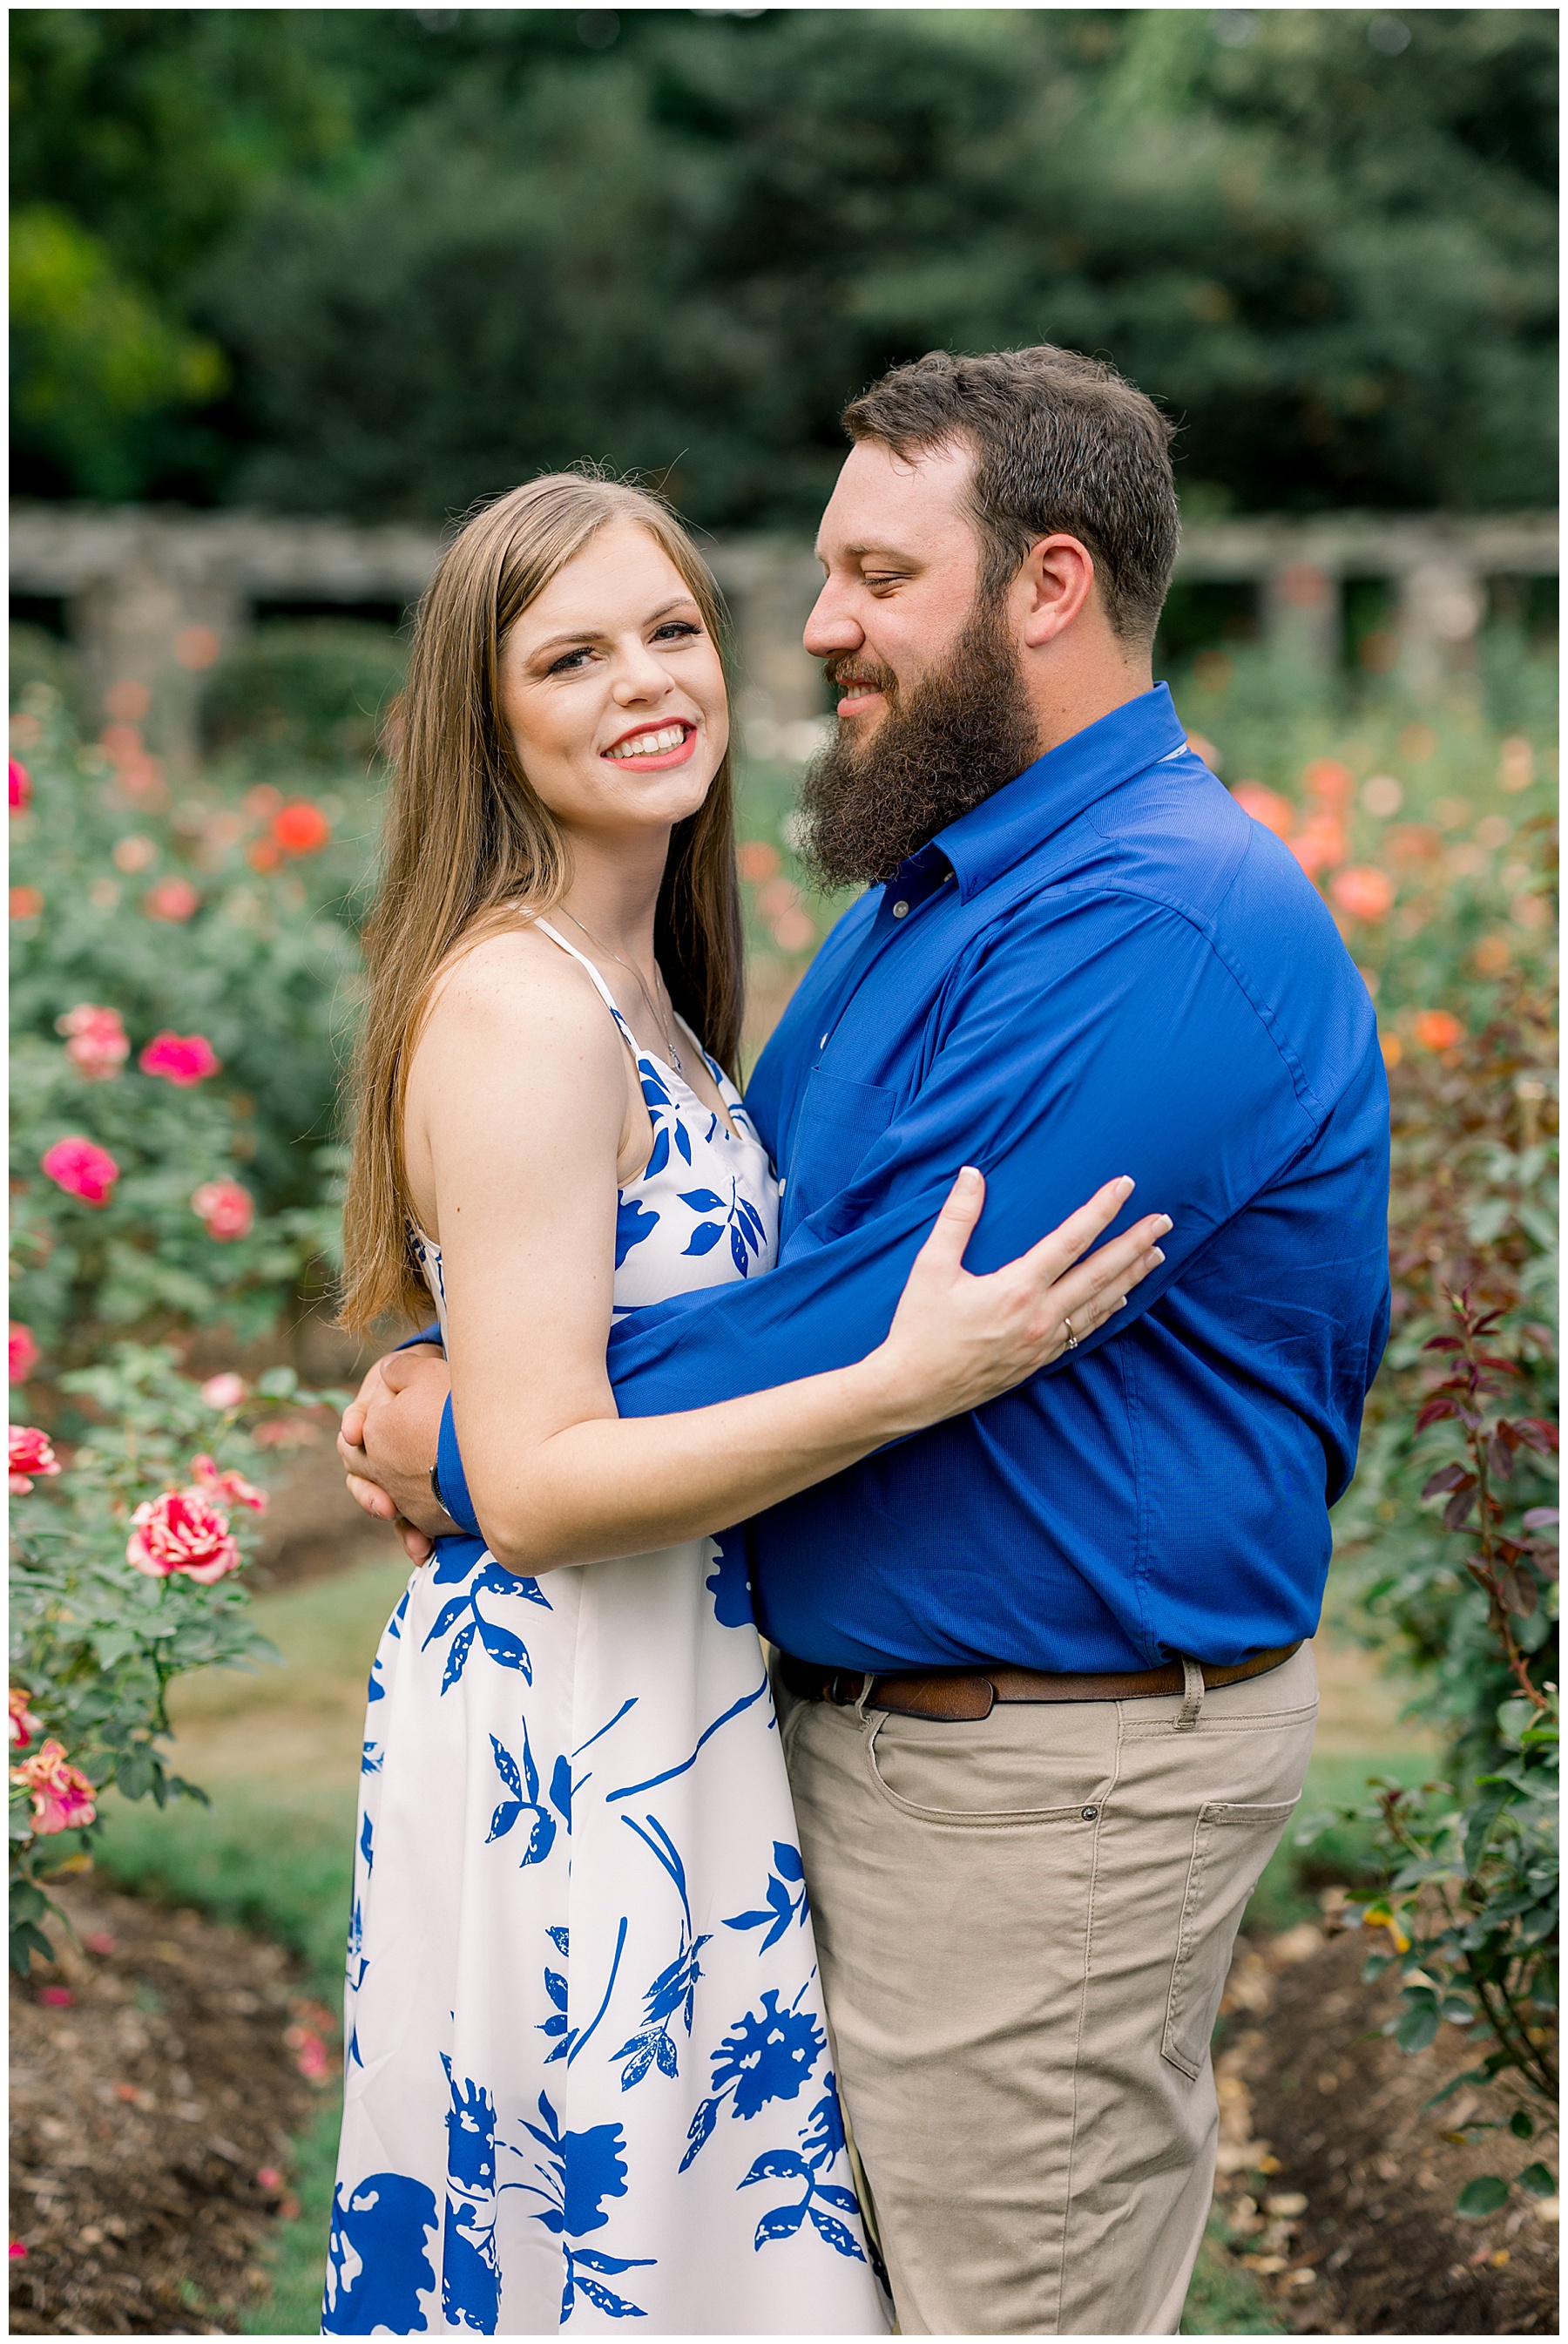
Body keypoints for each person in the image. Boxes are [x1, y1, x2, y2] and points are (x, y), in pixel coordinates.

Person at [344, 347, 1391, 2336]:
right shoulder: (939, 896)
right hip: (786, 1742)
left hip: (1042, 1779)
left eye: (875, 577)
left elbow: (845, 1317)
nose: (809, 627)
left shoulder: (1150, 923)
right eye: (575, 652)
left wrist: (475, 1441)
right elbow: (779, 1292)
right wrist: (492, 1384)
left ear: (1047, 585)